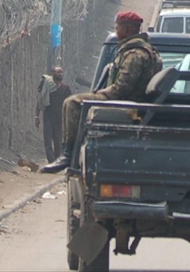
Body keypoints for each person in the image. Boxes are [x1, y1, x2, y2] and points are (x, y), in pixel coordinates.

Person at [41, 12, 162, 173]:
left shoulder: (134, 55)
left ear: (126, 29)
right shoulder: (140, 51)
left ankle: (68, 155)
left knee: (72, 102)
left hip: (127, 102)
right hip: (131, 100)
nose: (116, 31)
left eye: (118, 27)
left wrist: (99, 93)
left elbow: (121, 89)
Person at [35, 66, 71, 163]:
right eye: (58, 72)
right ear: (52, 74)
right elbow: (40, 102)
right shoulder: (47, 88)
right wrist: (36, 116)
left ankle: (56, 162)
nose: (60, 74)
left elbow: (69, 104)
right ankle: (52, 163)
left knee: (58, 144)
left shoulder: (65, 89)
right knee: (48, 143)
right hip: (48, 118)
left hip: (59, 120)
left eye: (61, 72)